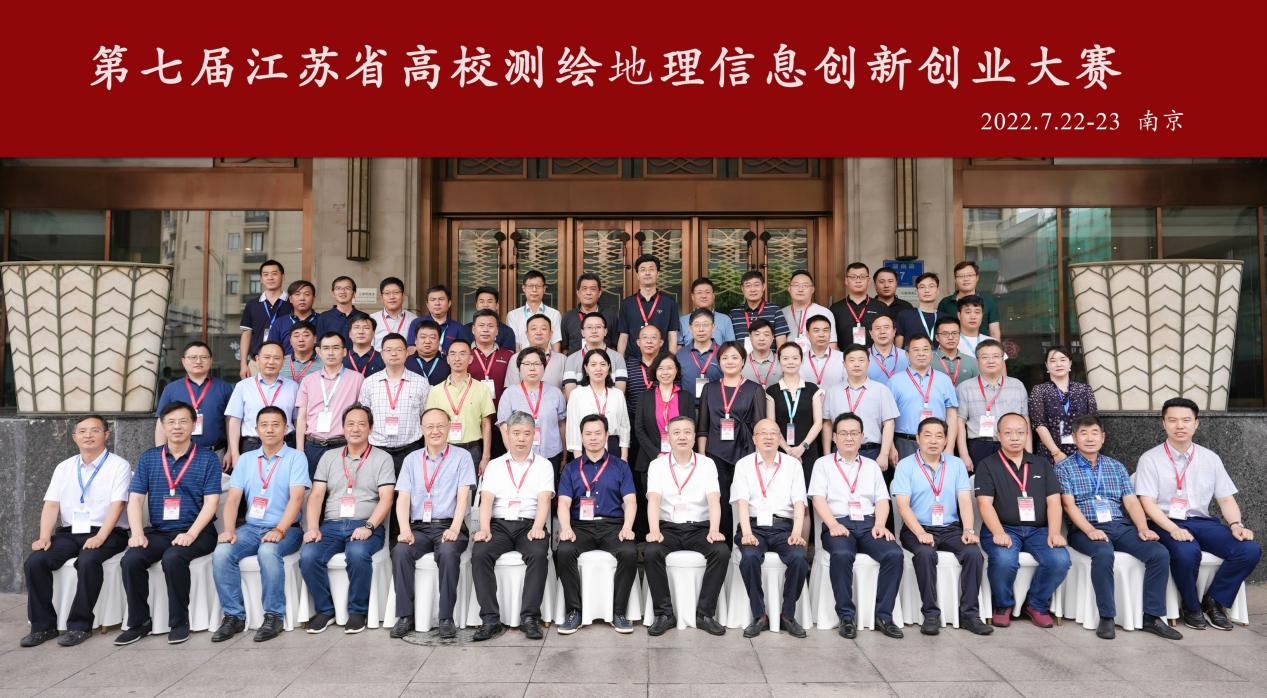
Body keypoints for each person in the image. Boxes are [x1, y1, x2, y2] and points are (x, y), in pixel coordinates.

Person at [1136, 397, 1261, 632]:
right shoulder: (1150, 459)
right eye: (1173, 420)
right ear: (1163, 423)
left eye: (1186, 420)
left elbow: (1226, 499)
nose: (1179, 426)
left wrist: (1236, 524)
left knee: (1248, 549)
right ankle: (1191, 606)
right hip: (1165, 521)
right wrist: (1173, 529)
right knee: (1186, 552)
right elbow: (1147, 503)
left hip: (1202, 521)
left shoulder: (1210, 458)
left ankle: (1214, 601)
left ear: (1196, 424)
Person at [1057, 415, 1180, 640]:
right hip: (1085, 528)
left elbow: (1131, 502)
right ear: (1074, 438)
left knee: (1159, 553)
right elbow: (1068, 505)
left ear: (1103, 438)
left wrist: (1142, 528)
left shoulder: (1116, 466)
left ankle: (1152, 617)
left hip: (1119, 525)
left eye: (1094, 433)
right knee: (1104, 552)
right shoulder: (1064, 468)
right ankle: (1107, 616)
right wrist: (1089, 530)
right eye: (1083, 433)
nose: (1090, 438)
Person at [117, 402, 222, 646]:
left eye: (183, 421)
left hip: (198, 531)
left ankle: (179, 622)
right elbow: (135, 499)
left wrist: (191, 534)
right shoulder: (150, 458)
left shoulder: (207, 458)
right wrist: (137, 533)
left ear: (194, 425)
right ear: (163, 426)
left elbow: (211, 503)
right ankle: (139, 623)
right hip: (160, 531)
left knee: (174, 558)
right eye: (171, 422)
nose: (177, 427)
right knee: (131, 559)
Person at [21, 415, 131, 648]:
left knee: (88, 560)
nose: (88, 435)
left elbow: (118, 505)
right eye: (82, 431)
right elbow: (52, 504)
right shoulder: (64, 467)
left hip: (109, 532)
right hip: (71, 533)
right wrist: (44, 537)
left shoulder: (118, 466)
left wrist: (100, 536)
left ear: (106, 435)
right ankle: (43, 626)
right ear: (74, 437)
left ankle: (80, 625)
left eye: (94, 430)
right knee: (35, 562)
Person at [211, 406, 310, 643]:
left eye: (276, 424)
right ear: (256, 429)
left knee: (268, 551)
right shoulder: (246, 460)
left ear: (286, 428)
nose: (270, 429)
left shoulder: (296, 457)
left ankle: (274, 615)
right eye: (264, 425)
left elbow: (297, 498)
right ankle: (234, 616)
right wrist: (229, 530)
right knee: (222, 552)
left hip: (287, 529)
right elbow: (233, 499)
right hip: (251, 528)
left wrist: (279, 530)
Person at [891, 417, 992, 636]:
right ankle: (931, 613)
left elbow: (964, 500)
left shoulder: (956, 464)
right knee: (925, 554)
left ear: (946, 440)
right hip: (917, 528)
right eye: (927, 435)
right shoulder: (905, 466)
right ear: (917, 438)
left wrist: (968, 530)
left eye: (939, 436)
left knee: (974, 554)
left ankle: (969, 615)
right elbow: (902, 506)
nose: (933, 441)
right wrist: (920, 532)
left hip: (950, 528)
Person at [299, 404, 395, 634]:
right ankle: (325, 610)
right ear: (342, 428)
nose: (355, 429)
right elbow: (316, 495)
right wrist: (313, 527)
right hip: (331, 526)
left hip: (365, 524)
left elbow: (387, 498)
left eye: (362, 424)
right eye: (350, 424)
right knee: (309, 555)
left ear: (371, 428)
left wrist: (369, 526)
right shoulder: (329, 457)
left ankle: (357, 611)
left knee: (357, 553)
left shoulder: (383, 458)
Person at [809, 413, 904, 640]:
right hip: (838, 523)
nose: (849, 438)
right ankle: (846, 617)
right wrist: (832, 524)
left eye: (854, 433)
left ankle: (883, 616)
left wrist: (880, 524)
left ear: (862, 437)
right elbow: (818, 499)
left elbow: (882, 500)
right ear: (834, 437)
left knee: (894, 554)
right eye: (843, 433)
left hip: (869, 524)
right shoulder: (822, 464)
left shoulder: (872, 466)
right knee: (842, 554)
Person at [974, 413, 1071, 628]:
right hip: (1003, 528)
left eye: (1020, 432)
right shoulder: (987, 465)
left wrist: (1054, 532)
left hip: (1038, 530)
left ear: (1027, 435)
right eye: (1008, 433)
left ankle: (1036, 604)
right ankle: (1002, 605)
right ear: (998, 435)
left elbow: (1054, 502)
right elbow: (984, 504)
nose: (1015, 437)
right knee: (1004, 559)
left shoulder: (1041, 464)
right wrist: (998, 532)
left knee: (1060, 560)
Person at [389, 408, 477, 640]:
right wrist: (404, 529)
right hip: (419, 527)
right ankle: (405, 616)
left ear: (449, 428)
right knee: (400, 551)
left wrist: (455, 528)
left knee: (448, 552)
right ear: (421, 430)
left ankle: (446, 617)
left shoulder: (462, 457)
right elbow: (403, 498)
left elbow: (463, 497)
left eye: (440, 426)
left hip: (449, 525)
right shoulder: (411, 460)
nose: (435, 431)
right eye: (429, 427)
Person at [470, 411, 555, 641]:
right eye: (516, 433)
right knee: (480, 553)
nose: (521, 438)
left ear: (534, 435)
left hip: (529, 524)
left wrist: (538, 527)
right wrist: (485, 529)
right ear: (507, 434)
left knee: (538, 553)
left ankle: (530, 617)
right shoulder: (495, 465)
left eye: (526, 433)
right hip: (499, 525)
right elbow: (486, 500)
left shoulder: (544, 465)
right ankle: (490, 619)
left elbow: (544, 500)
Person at [643, 415, 729, 636]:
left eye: (687, 432)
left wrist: (714, 529)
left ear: (694, 436)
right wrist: (654, 530)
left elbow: (714, 500)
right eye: (676, 432)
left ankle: (705, 614)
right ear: (668, 437)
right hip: (668, 528)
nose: (682, 436)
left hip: (699, 528)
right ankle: (664, 614)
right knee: (651, 551)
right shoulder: (657, 465)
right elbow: (653, 500)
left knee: (721, 552)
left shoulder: (707, 464)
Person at [554, 414, 639, 634]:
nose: (593, 438)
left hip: (613, 526)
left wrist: (627, 527)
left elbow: (630, 501)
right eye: (588, 434)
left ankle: (619, 612)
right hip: (580, 527)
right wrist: (566, 528)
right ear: (581, 437)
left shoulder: (620, 466)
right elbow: (563, 503)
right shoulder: (571, 468)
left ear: (607, 435)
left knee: (629, 552)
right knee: (564, 551)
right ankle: (574, 611)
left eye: (598, 433)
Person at [732, 419, 809, 638]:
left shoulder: (793, 465)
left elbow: (799, 503)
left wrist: (796, 533)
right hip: (753, 527)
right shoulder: (743, 465)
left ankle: (788, 615)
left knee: (799, 558)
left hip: (783, 528)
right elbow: (742, 502)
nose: (768, 437)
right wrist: (747, 533)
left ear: (779, 438)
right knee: (749, 558)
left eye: (773, 433)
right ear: (754, 438)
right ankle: (760, 615)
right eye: (762, 433)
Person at [698, 341, 767, 543]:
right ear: (719, 362)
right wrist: (702, 457)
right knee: (719, 498)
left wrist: (759, 456)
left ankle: (744, 539)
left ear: (743, 361)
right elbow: (702, 426)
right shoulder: (709, 388)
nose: (730, 361)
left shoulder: (754, 389)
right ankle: (722, 543)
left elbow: (760, 427)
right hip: (715, 452)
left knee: (744, 498)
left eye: (735, 357)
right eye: (725, 358)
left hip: (745, 451)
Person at [359, 333, 430, 477]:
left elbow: (425, 417)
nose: (394, 353)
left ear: (407, 352)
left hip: (411, 449)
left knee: (408, 489)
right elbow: (364, 417)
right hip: (377, 449)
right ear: (382, 354)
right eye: (388, 350)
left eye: (399, 349)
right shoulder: (369, 382)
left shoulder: (421, 383)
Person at [296, 332, 366, 478]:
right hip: (313, 446)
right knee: (313, 488)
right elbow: (301, 418)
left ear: (344, 352)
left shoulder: (357, 379)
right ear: (318, 351)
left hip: (343, 445)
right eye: (326, 348)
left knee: (342, 488)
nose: (330, 353)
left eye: (335, 348)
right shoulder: (308, 380)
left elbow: (363, 417)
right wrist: (300, 450)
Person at [821, 344, 899, 469]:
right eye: (851, 360)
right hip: (839, 452)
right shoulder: (832, 391)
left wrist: (884, 454)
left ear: (868, 363)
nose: (856, 364)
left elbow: (889, 423)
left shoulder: (881, 390)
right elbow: (827, 424)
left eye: (861, 360)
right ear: (844, 364)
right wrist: (827, 454)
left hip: (871, 451)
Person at [956, 339, 1029, 471]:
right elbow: (960, 423)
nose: (991, 361)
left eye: (996, 356)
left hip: (1012, 444)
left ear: (1002, 359)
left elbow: (1025, 420)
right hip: (979, 447)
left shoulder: (1017, 386)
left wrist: (1028, 453)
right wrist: (964, 455)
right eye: (985, 357)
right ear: (977, 361)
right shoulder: (964, 388)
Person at [425, 339, 495, 474]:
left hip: (472, 450)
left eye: (462, 354)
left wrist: (486, 456)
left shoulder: (482, 389)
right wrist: (428, 455)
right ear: (447, 359)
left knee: (470, 487)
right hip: (442, 449)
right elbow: (429, 425)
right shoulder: (436, 391)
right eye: (453, 354)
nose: (457, 358)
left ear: (470, 359)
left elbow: (486, 424)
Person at [155, 341, 233, 463]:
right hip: (178, 454)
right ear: (183, 361)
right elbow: (161, 422)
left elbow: (231, 421)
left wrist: (231, 451)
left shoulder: (224, 388)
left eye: (204, 357)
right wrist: (161, 453)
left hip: (216, 453)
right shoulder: (171, 389)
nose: (198, 361)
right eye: (193, 357)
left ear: (211, 360)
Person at [633, 354, 696, 501]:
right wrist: (657, 454)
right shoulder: (645, 397)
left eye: (669, 368)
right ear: (655, 371)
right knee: (652, 504)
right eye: (661, 368)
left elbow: (692, 428)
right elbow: (639, 429)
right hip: (650, 458)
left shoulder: (686, 397)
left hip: (680, 460)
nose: (665, 372)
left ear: (676, 370)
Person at [225, 341, 298, 464]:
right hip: (252, 445)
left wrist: (299, 450)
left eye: (276, 358)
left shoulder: (293, 387)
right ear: (257, 359)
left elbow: (297, 420)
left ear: (283, 361)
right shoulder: (242, 386)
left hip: (285, 445)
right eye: (267, 357)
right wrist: (235, 453)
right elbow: (235, 421)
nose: (271, 362)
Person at [497, 348, 568, 472]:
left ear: (544, 367)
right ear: (519, 368)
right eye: (527, 364)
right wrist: (513, 455)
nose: (532, 368)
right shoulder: (509, 394)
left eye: (537, 364)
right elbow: (504, 428)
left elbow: (562, 425)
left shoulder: (555, 393)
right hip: (520, 455)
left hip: (551, 454)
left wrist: (565, 455)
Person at [890, 334, 958, 461]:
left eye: (925, 349)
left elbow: (952, 415)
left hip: (937, 442)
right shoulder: (894, 381)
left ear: (932, 354)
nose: (921, 354)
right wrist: (891, 448)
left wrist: (950, 446)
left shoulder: (944, 380)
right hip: (904, 442)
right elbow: (888, 418)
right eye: (916, 350)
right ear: (907, 354)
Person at [1029, 345, 1098, 465]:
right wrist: (1056, 452)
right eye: (1053, 361)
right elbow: (1039, 424)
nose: (1058, 364)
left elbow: (1092, 422)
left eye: (1063, 359)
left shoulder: (1084, 389)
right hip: (1050, 452)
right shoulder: (1039, 390)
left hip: (1082, 451)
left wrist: (1087, 449)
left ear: (1070, 363)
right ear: (1047, 366)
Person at [766, 342, 824, 483]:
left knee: (808, 488)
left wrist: (802, 447)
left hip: (808, 449)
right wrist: (787, 449)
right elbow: (772, 425)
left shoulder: (812, 389)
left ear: (801, 360)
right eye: (785, 358)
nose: (790, 362)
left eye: (795, 358)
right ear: (779, 361)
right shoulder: (772, 391)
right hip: (781, 451)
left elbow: (818, 423)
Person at [566, 349, 632, 461]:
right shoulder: (576, 394)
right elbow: (573, 428)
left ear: (608, 368)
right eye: (593, 365)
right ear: (586, 368)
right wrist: (578, 459)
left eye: (603, 364)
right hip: (586, 446)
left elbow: (624, 426)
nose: (598, 368)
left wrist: (624, 457)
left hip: (612, 445)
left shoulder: (617, 394)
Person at [617, 253, 680, 356]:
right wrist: (620, 362)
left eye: (651, 269)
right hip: (634, 360)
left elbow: (672, 335)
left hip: (661, 360)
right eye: (643, 270)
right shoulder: (627, 304)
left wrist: (671, 360)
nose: (647, 273)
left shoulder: (669, 303)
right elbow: (623, 336)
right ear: (637, 275)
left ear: (658, 274)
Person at [239, 259, 291, 379]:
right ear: (261, 279)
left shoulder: (292, 303)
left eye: (274, 274)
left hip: (286, 362)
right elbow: (246, 334)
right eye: (266, 274)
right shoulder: (252, 304)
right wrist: (243, 364)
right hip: (256, 363)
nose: (270, 278)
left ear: (282, 276)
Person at [562, 311, 628, 399]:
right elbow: (571, 396)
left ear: (605, 331)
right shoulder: (571, 359)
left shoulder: (617, 358)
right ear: (582, 332)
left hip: (609, 406)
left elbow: (619, 393)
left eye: (598, 327)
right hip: (582, 407)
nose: (594, 331)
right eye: (589, 327)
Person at [938, 261, 1002, 341]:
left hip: (983, 347)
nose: (966, 279)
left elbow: (994, 332)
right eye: (961, 276)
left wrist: (996, 348)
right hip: (954, 347)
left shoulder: (988, 301)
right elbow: (940, 331)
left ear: (977, 278)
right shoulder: (945, 303)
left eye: (970, 275)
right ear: (955, 280)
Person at [829, 262, 887, 348]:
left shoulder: (881, 307)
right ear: (846, 281)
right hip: (843, 355)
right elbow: (831, 339)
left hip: (874, 356)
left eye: (862, 277)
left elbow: (888, 336)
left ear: (868, 280)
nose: (858, 281)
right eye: (853, 277)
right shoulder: (835, 309)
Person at [504, 314, 567, 389]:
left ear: (551, 334)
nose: (538, 332)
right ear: (527, 334)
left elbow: (566, 389)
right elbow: (511, 389)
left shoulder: (562, 359)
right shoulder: (515, 358)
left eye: (543, 329)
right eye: (533, 329)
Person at [504, 270, 563, 351]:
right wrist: (522, 359)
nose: (534, 290)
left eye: (538, 286)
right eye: (530, 286)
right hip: (523, 358)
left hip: (547, 358)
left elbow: (555, 343)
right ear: (524, 288)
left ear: (544, 289)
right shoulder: (513, 315)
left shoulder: (554, 314)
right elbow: (516, 344)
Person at [730, 270, 790, 349]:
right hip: (741, 357)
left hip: (769, 357)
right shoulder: (734, 314)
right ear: (742, 289)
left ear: (763, 286)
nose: (752, 289)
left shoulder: (775, 311)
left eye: (756, 285)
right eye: (748, 285)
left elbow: (781, 345)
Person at [561, 272, 618, 353]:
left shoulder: (610, 316)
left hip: (604, 360)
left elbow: (614, 346)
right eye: (584, 289)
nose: (588, 293)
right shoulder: (568, 317)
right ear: (578, 293)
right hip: (576, 361)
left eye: (593, 289)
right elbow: (564, 348)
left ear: (599, 293)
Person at [408, 284, 473, 356]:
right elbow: (411, 349)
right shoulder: (417, 323)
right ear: (427, 304)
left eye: (441, 299)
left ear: (449, 303)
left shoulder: (458, 328)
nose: (437, 303)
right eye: (433, 300)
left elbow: (464, 352)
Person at [783, 269, 837, 350]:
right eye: (796, 285)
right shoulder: (782, 313)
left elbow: (831, 345)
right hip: (788, 357)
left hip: (816, 358)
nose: (800, 289)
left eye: (805, 285)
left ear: (812, 289)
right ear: (789, 289)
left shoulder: (824, 313)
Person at [469, 309, 515, 405]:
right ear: (473, 329)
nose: (485, 330)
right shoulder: (464, 355)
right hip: (471, 409)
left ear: (497, 331)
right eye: (481, 325)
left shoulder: (509, 356)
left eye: (490, 326)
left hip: (501, 410)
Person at [676, 308, 724, 398]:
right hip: (688, 405)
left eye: (705, 325)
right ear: (690, 328)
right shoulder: (680, 355)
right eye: (697, 325)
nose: (701, 329)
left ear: (713, 327)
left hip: (716, 405)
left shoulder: (723, 353)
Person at [678, 277, 736, 347]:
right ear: (693, 297)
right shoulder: (682, 321)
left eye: (707, 292)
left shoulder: (725, 320)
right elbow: (679, 348)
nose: (704, 296)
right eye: (699, 292)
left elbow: (731, 347)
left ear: (713, 296)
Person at [626, 323, 666, 420]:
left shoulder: (668, 366)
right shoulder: (628, 365)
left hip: (662, 418)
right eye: (645, 337)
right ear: (638, 342)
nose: (649, 341)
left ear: (661, 342)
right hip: (633, 418)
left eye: (653, 337)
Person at [267, 279, 317, 356]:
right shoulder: (279, 323)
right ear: (290, 299)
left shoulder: (323, 320)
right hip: (286, 363)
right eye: (297, 294)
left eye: (307, 294)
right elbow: (271, 349)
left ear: (313, 298)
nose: (302, 298)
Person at [895, 272, 944, 348]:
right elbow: (898, 349)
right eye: (922, 287)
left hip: (938, 356)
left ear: (937, 291)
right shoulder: (905, 315)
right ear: (916, 292)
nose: (927, 290)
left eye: (931, 286)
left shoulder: (945, 318)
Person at [799, 314, 845, 390]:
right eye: (816, 331)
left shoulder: (843, 358)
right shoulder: (800, 359)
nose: (821, 335)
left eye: (825, 330)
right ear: (807, 334)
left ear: (830, 333)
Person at [465, 286, 516, 352]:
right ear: (476, 305)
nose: (485, 305)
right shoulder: (464, 330)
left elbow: (507, 355)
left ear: (497, 305)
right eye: (481, 301)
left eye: (489, 301)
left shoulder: (507, 332)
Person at [374, 276, 417, 351]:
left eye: (396, 292)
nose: (392, 297)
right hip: (379, 358)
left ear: (403, 296)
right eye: (387, 293)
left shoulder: (413, 320)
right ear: (381, 297)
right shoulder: (372, 319)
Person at [932, 316, 979, 385]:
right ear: (937, 337)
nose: (951, 337)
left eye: (954, 333)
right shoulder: (928, 360)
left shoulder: (972, 362)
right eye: (945, 333)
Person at [315, 276, 361, 346]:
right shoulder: (323, 317)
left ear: (354, 293)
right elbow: (319, 344)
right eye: (338, 288)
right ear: (333, 293)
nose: (342, 292)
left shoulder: (362, 317)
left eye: (347, 288)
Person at [866, 315, 909, 386]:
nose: (882, 332)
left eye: (886, 327)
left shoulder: (907, 356)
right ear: (871, 333)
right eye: (878, 328)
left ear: (894, 331)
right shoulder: (862, 356)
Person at [406, 319, 452, 385]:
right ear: (415, 340)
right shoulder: (406, 362)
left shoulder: (448, 362)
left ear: (439, 341)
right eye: (423, 337)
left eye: (432, 337)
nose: (427, 341)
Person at [740, 319, 781, 389]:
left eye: (766, 334)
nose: (761, 338)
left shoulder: (781, 361)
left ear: (772, 337)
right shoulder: (741, 362)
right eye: (757, 334)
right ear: (750, 337)